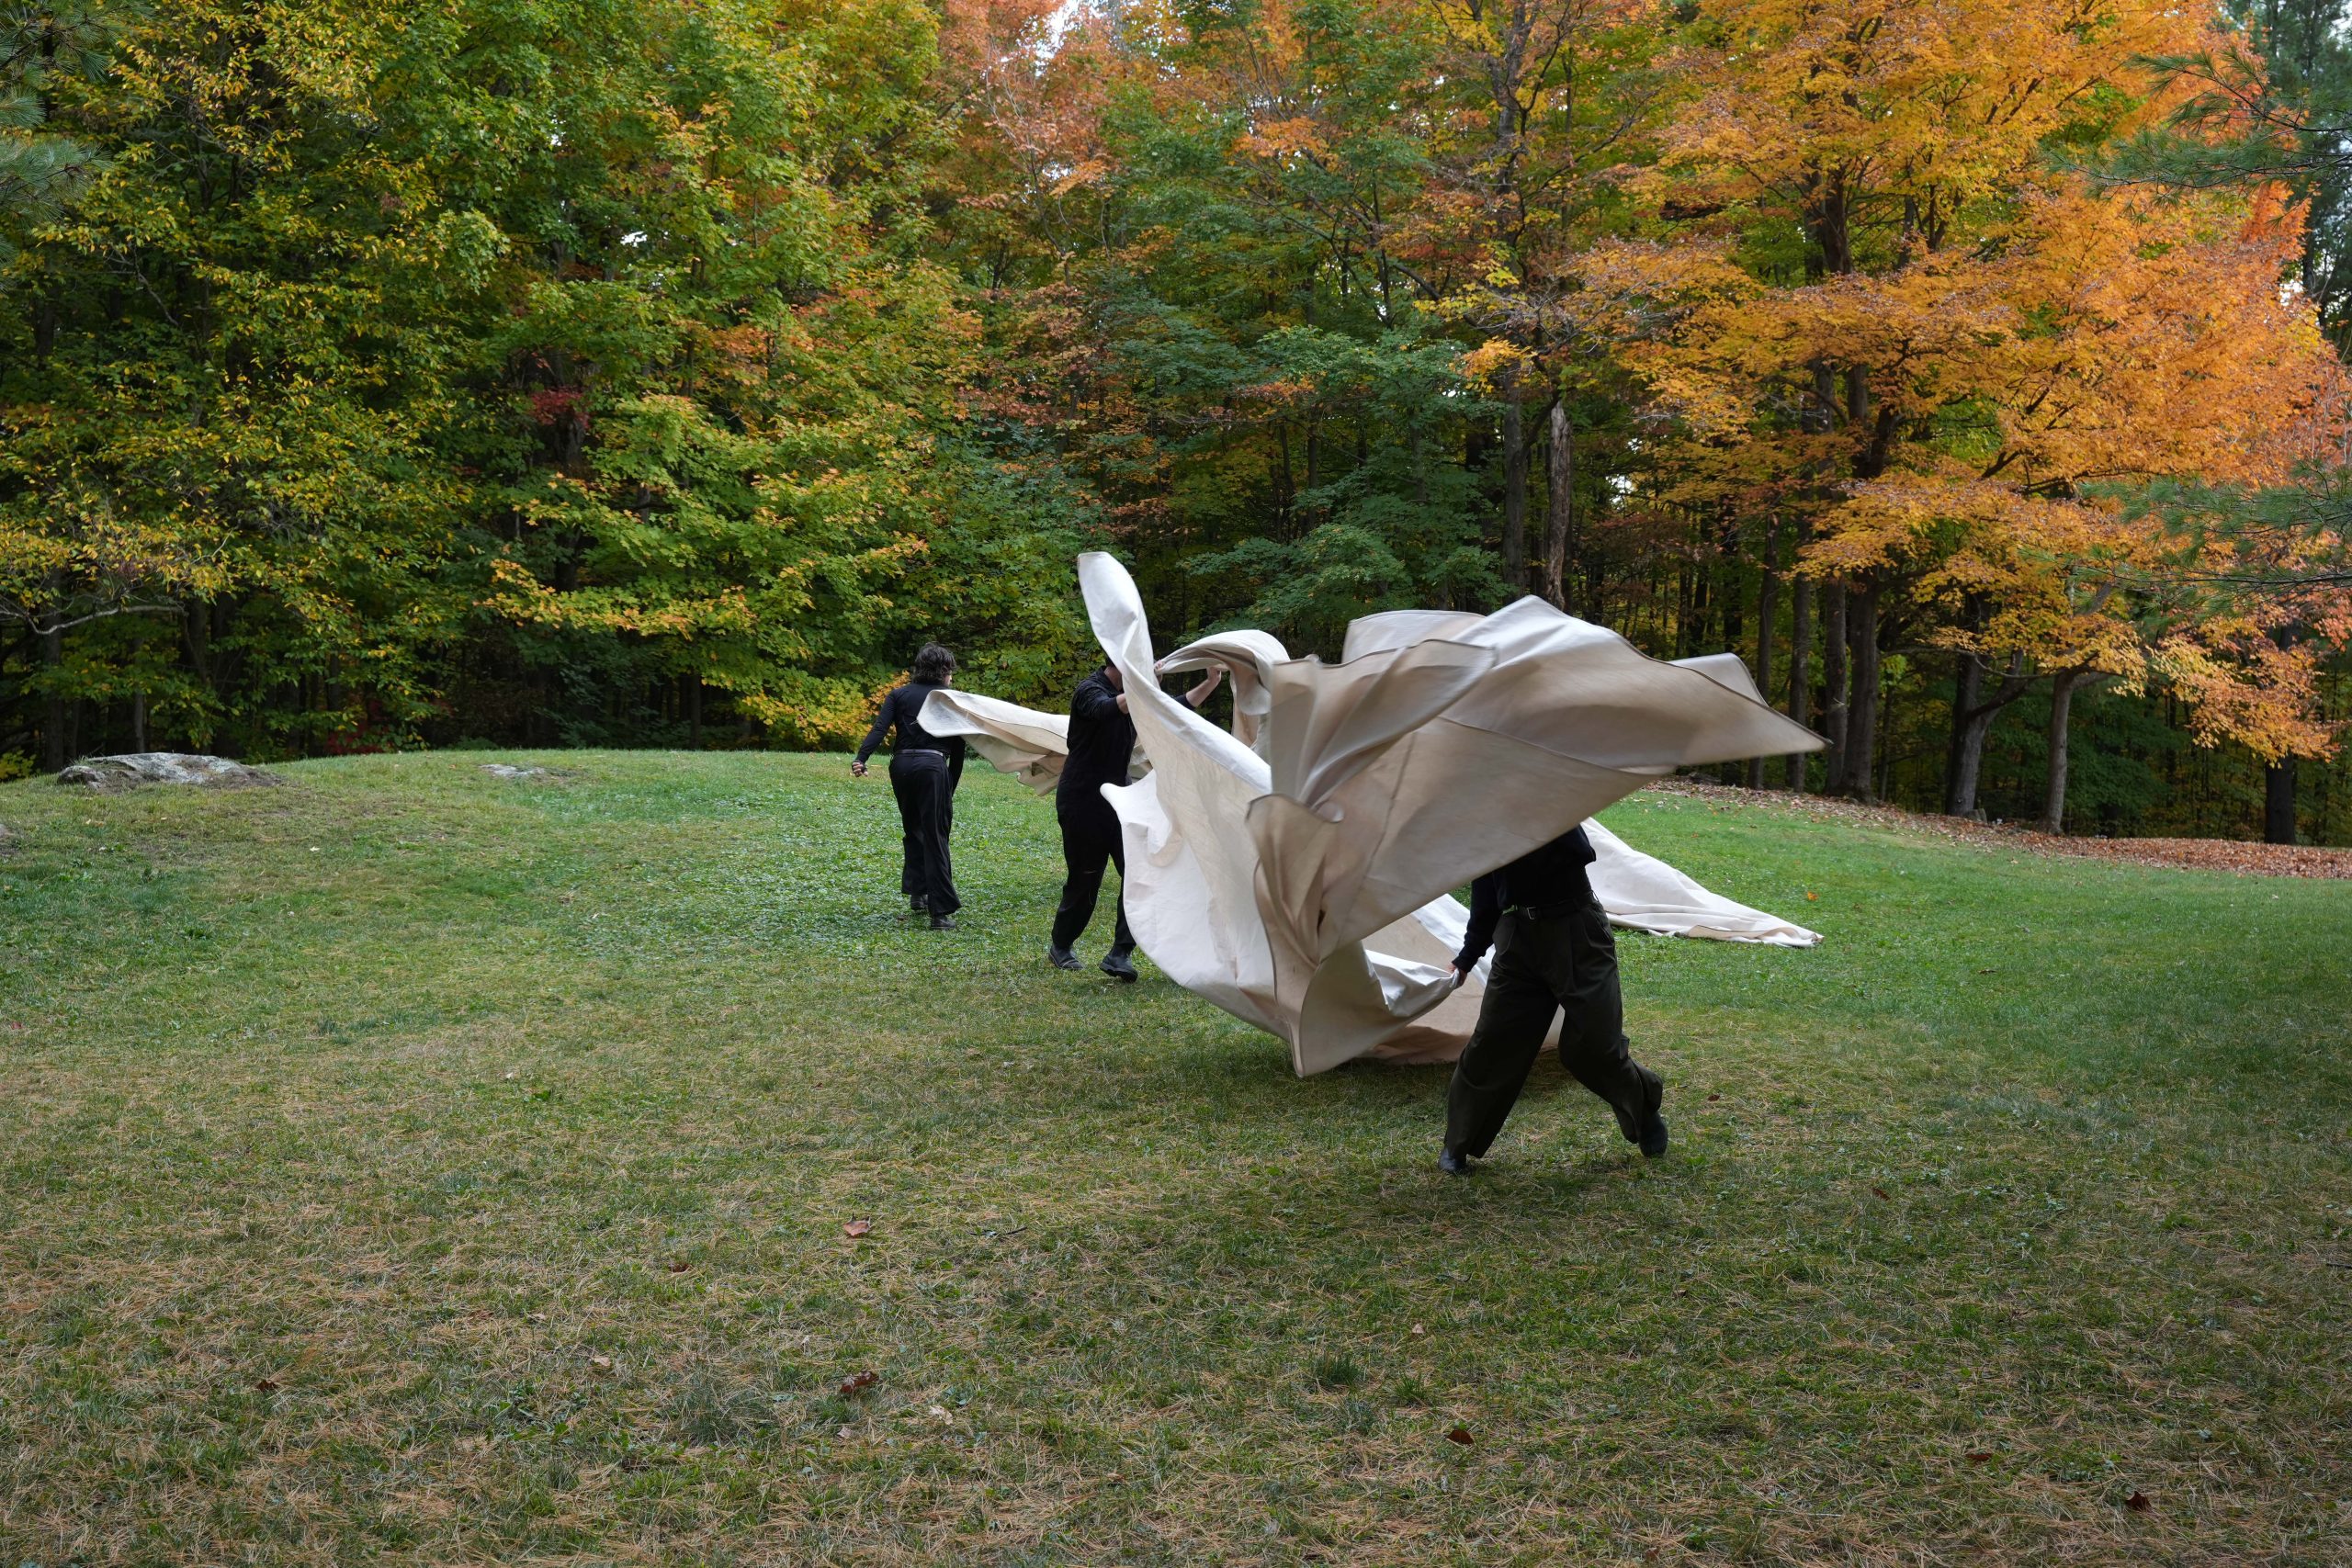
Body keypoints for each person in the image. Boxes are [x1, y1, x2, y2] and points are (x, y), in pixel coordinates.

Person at [1438, 824, 1667, 1173]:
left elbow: (1580, 851)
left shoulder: (1552, 800)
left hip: (1576, 930)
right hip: (1517, 939)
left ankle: (1643, 1106)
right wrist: (1468, 955)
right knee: (1494, 1043)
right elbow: (1485, 889)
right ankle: (1457, 1146)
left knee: (1594, 1046)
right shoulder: (1483, 816)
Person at [1048, 657, 1222, 979]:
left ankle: (1120, 953)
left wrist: (1210, 683)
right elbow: (1106, 709)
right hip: (1082, 799)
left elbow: (1173, 708)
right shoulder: (1090, 690)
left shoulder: (1133, 696)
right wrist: (1143, 685)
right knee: (1085, 878)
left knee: (1140, 873)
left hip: (1120, 800)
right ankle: (1061, 946)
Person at [852, 644, 965, 931]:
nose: (951, 677)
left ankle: (918, 894)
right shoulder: (949, 699)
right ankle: (940, 914)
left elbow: (879, 729)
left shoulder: (899, 694)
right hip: (932, 767)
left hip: (900, 767)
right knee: (936, 835)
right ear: (943, 671)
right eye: (950, 672)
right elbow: (958, 749)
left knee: (913, 829)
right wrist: (948, 787)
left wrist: (861, 759)